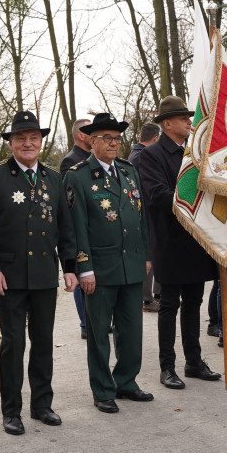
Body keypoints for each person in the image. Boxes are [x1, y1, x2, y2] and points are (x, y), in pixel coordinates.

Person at [0, 111, 77, 435]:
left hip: (44, 274)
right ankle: (12, 411)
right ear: (11, 143)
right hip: (8, 275)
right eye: (21, 138)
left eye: (33, 137)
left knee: (44, 341)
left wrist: (70, 268)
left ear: (41, 141)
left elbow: (65, 227)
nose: (28, 143)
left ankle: (42, 404)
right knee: (13, 342)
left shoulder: (53, 178)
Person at [63, 112, 154, 413]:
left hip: (131, 265)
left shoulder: (128, 171)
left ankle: (126, 382)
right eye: (107, 138)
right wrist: (84, 267)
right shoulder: (77, 176)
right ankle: (103, 390)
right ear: (91, 141)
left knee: (131, 330)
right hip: (99, 269)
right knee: (99, 333)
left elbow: (142, 218)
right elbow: (77, 227)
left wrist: (147, 256)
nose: (114, 143)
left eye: (117, 138)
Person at [137, 96, 221, 390]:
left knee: (194, 304)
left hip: (197, 240)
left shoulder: (195, 153)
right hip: (170, 243)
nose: (189, 122)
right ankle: (167, 366)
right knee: (169, 305)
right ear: (167, 124)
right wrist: (193, 197)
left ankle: (194, 361)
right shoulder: (151, 155)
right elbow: (157, 196)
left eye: (190, 117)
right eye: (183, 118)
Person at [60, 118, 92, 338]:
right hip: (77, 227)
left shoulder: (92, 159)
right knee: (81, 277)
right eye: (90, 131)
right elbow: (69, 199)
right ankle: (84, 324)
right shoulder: (70, 161)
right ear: (81, 135)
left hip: (94, 228)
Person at [128, 122, 161, 313]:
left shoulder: (135, 154)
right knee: (149, 254)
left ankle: (154, 295)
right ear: (155, 138)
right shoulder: (142, 156)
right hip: (146, 211)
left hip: (144, 210)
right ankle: (147, 299)